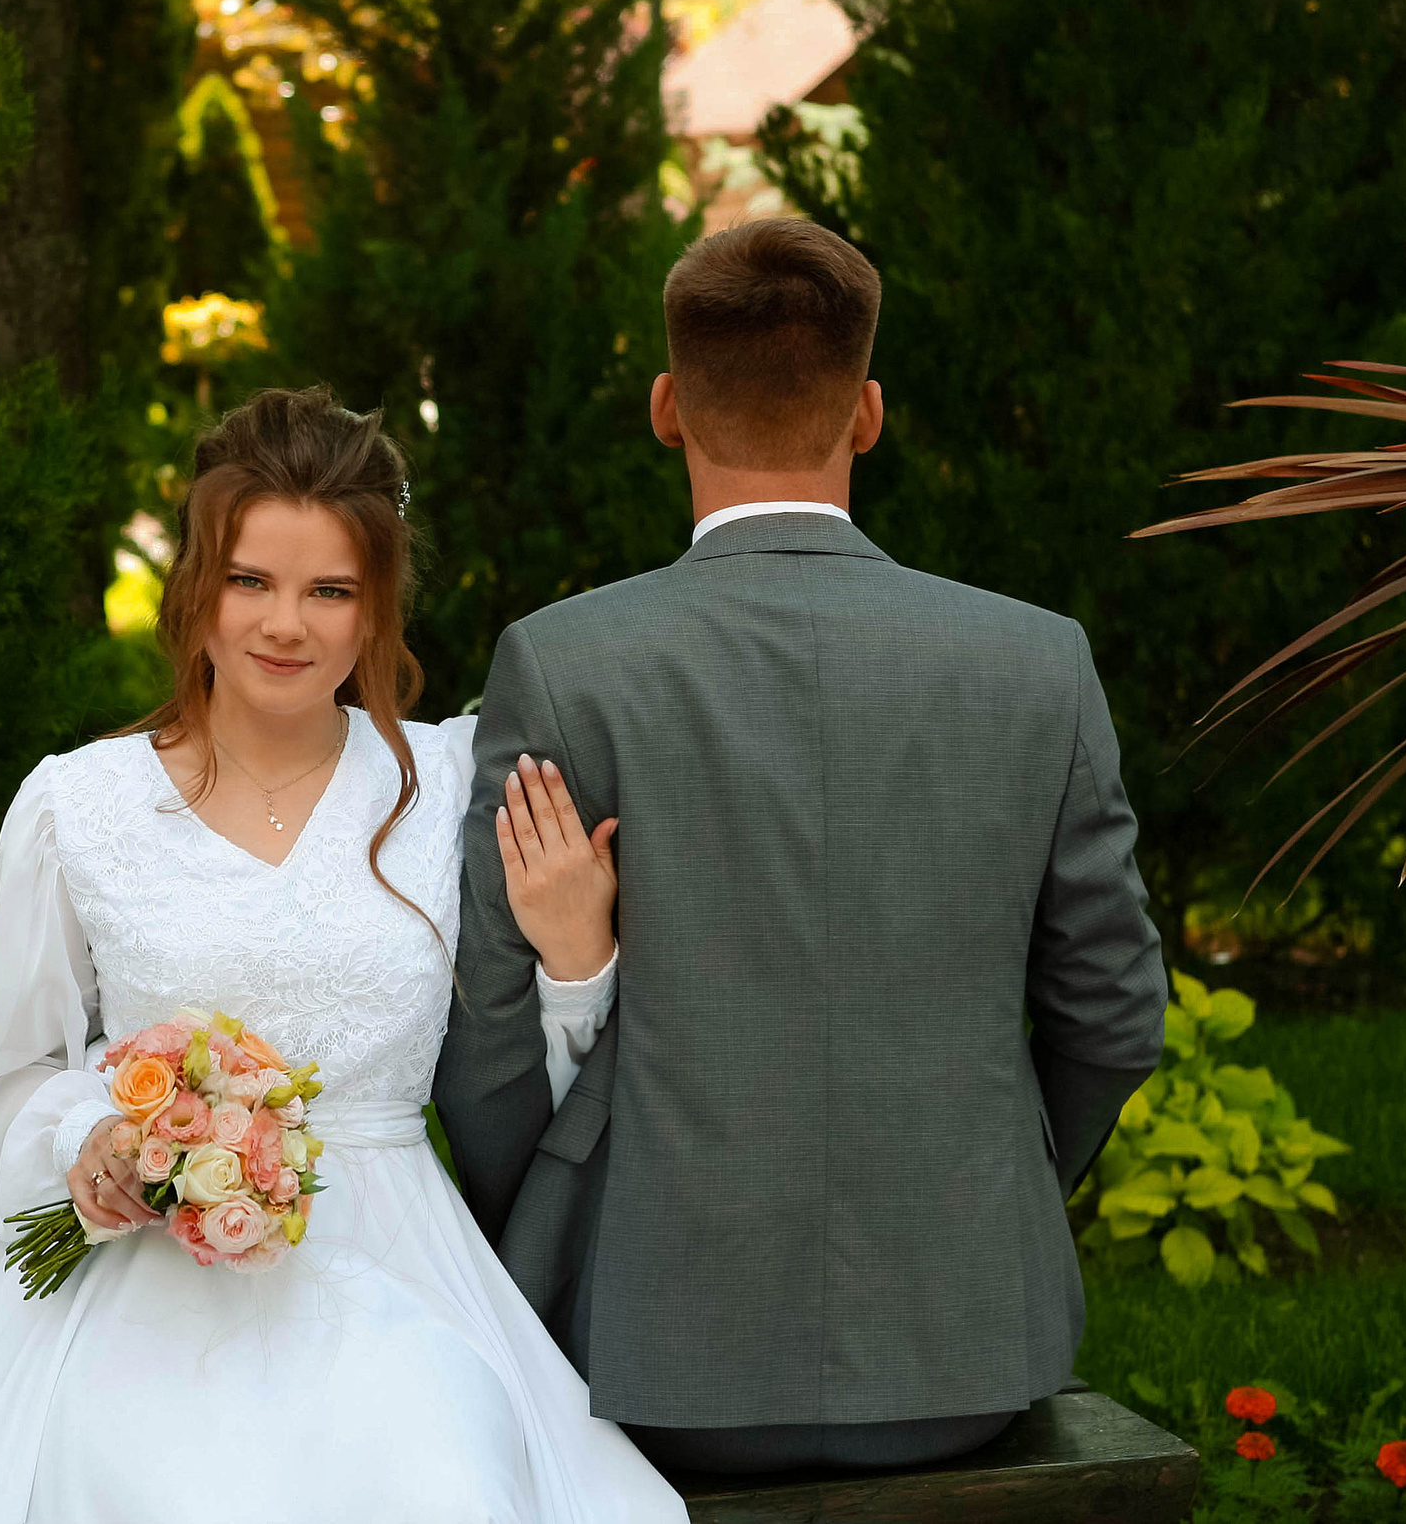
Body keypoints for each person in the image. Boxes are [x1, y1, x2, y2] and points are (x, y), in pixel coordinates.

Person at [0, 389, 686, 1523]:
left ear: (374, 606)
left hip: (399, 1263)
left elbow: (516, 1086)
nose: (285, 624)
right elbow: (7, 1085)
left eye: (329, 590)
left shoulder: (445, 789)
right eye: (251, 580)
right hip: (148, 1277)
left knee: (443, 1479)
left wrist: (577, 965)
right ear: (195, 586)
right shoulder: (75, 807)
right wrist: (87, 1135)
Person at [434, 216, 1169, 1477]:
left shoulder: (565, 664)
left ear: (667, 406)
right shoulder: (1035, 662)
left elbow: (490, 1028)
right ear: (868, 412)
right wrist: (984, 1192)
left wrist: (539, 1226)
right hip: (962, 1358)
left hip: (652, 1351)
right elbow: (1113, 1009)